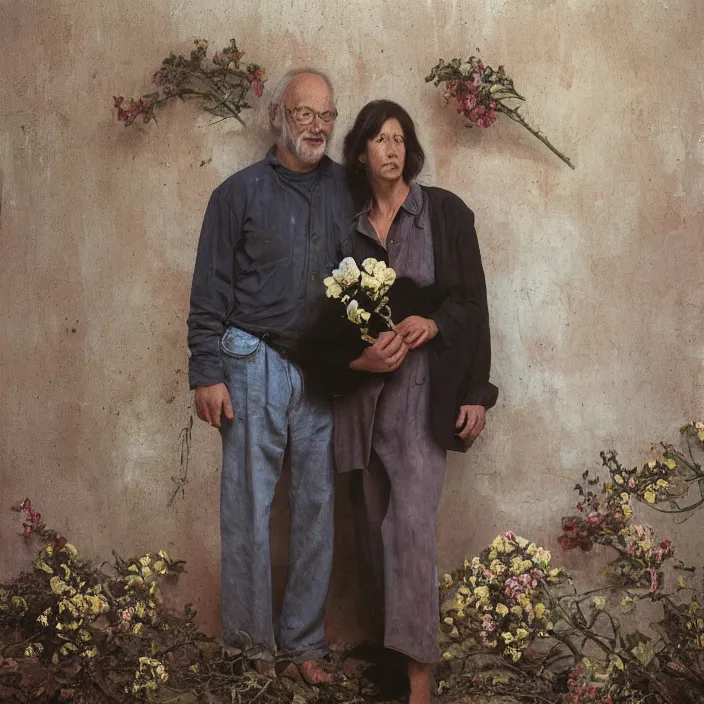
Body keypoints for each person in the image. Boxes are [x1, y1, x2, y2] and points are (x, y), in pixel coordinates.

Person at [187, 68, 353, 683]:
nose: (317, 126)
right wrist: (207, 372)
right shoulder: (238, 194)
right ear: (278, 116)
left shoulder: (347, 190)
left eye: (327, 115)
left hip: (323, 368)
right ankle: (250, 651)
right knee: (248, 507)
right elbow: (209, 292)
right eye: (305, 113)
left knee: (317, 506)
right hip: (251, 360)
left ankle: (303, 646)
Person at [335, 100, 498, 703]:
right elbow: (332, 318)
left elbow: (475, 305)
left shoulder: (446, 214)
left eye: (400, 138)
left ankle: (420, 677)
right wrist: (357, 349)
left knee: (410, 530)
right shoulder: (348, 225)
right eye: (379, 139)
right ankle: (391, 663)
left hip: (425, 395)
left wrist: (475, 391)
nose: (392, 148)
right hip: (363, 400)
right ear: (360, 153)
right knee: (372, 533)